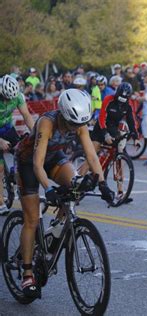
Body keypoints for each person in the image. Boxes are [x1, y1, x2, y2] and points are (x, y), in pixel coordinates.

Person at [15, 89, 114, 298]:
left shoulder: (79, 124)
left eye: (80, 124)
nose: (77, 128)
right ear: (62, 114)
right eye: (73, 124)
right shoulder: (47, 123)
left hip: (54, 156)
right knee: (32, 219)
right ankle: (27, 274)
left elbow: (92, 158)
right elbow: (37, 164)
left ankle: (55, 230)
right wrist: (49, 189)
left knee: (76, 186)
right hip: (28, 162)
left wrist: (103, 184)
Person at [80, 83, 139, 200]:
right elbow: (101, 118)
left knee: (119, 155)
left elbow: (131, 121)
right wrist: (105, 134)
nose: (121, 102)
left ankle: (121, 191)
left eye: (124, 100)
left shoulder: (128, 105)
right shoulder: (109, 99)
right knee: (92, 154)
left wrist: (136, 137)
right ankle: (76, 184)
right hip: (101, 128)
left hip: (113, 129)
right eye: (120, 99)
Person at [0, 75, 35, 215]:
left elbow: (27, 116)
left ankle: (16, 177)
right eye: (6, 98)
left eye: (11, 99)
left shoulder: (18, 96)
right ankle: (1, 202)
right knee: (0, 168)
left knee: (24, 152)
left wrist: (37, 134)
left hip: (7, 128)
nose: (9, 101)